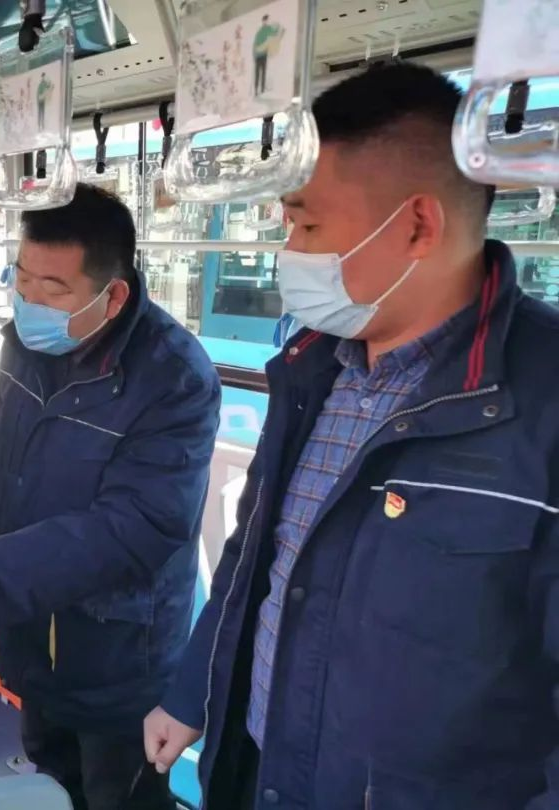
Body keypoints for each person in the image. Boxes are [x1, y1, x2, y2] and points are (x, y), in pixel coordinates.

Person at [143, 62, 559, 809]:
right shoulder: (313, 368)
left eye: (307, 225)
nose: (289, 254)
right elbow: (256, 558)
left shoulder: (543, 400)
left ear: (418, 226)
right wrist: (192, 691)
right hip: (259, 770)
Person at [0, 184, 221, 809]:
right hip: (31, 635)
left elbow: (138, 526)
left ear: (114, 296)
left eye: (53, 289)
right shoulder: (24, 346)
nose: (30, 301)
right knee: (50, 783)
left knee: (118, 798)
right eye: (22, 279)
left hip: (117, 656)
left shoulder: (174, 377)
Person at [252, 14, 282, 97]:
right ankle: (258, 90)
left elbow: (274, 33)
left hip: (261, 54)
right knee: (260, 73)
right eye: (266, 20)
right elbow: (255, 44)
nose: (267, 22)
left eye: (267, 20)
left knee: (261, 73)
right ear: (264, 21)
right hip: (260, 54)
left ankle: (260, 90)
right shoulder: (262, 31)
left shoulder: (264, 30)